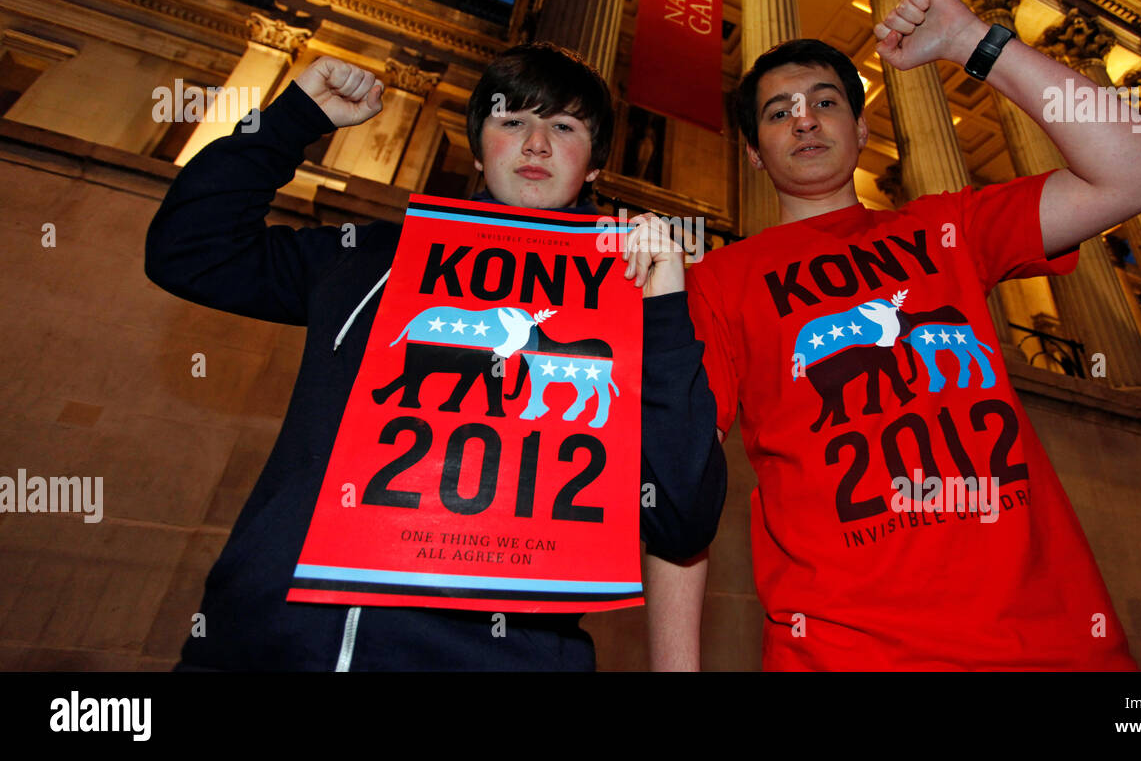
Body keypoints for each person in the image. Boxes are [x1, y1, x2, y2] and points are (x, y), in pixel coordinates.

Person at [144, 42, 725, 670]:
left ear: (591, 167)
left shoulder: (629, 300)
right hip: (261, 648)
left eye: (563, 126)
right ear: (477, 151)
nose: (536, 143)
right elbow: (189, 250)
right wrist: (291, 120)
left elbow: (683, 518)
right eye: (511, 121)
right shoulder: (369, 258)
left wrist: (664, 309)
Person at [665, 0, 1141, 670]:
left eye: (826, 102)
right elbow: (681, 480)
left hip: (1053, 645)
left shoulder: (949, 228)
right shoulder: (719, 281)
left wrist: (978, 44)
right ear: (755, 153)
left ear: (861, 128)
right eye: (778, 112)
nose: (805, 120)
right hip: (840, 653)